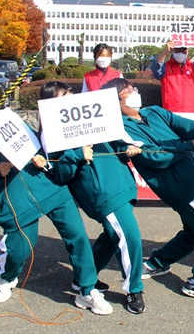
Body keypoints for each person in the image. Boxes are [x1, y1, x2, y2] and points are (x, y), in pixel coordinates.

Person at [0, 82, 112, 315]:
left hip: (49, 187)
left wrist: (41, 158)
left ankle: (87, 290)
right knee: (20, 248)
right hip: (14, 204)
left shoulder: (5, 119)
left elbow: (37, 144)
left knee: (78, 237)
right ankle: (7, 278)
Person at [104, 78, 194, 302]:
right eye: (128, 91)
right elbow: (153, 155)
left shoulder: (153, 112)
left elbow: (186, 125)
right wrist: (188, 146)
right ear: (115, 101)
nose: (135, 93)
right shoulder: (120, 130)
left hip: (191, 180)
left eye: (133, 88)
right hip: (180, 188)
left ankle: (155, 263)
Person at [34, 81, 146, 314]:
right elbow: (60, 175)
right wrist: (76, 154)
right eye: (62, 95)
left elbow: (114, 139)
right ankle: (134, 288)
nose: (70, 97)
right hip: (101, 193)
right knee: (130, 236)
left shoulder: (92, 114)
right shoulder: (51, 134)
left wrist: (126, 148)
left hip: (120, 184)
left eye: (70, 92)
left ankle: (84, 276)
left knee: (113, 234)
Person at [150, 39, 194, 112]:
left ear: (187, 51)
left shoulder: (193, 67)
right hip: (171, 112)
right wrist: (165, 51)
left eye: (183, 50)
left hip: (190, 111)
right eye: (177, 50)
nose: (180, 53)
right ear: (172, 50)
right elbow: (156, 66)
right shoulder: (165, 67)